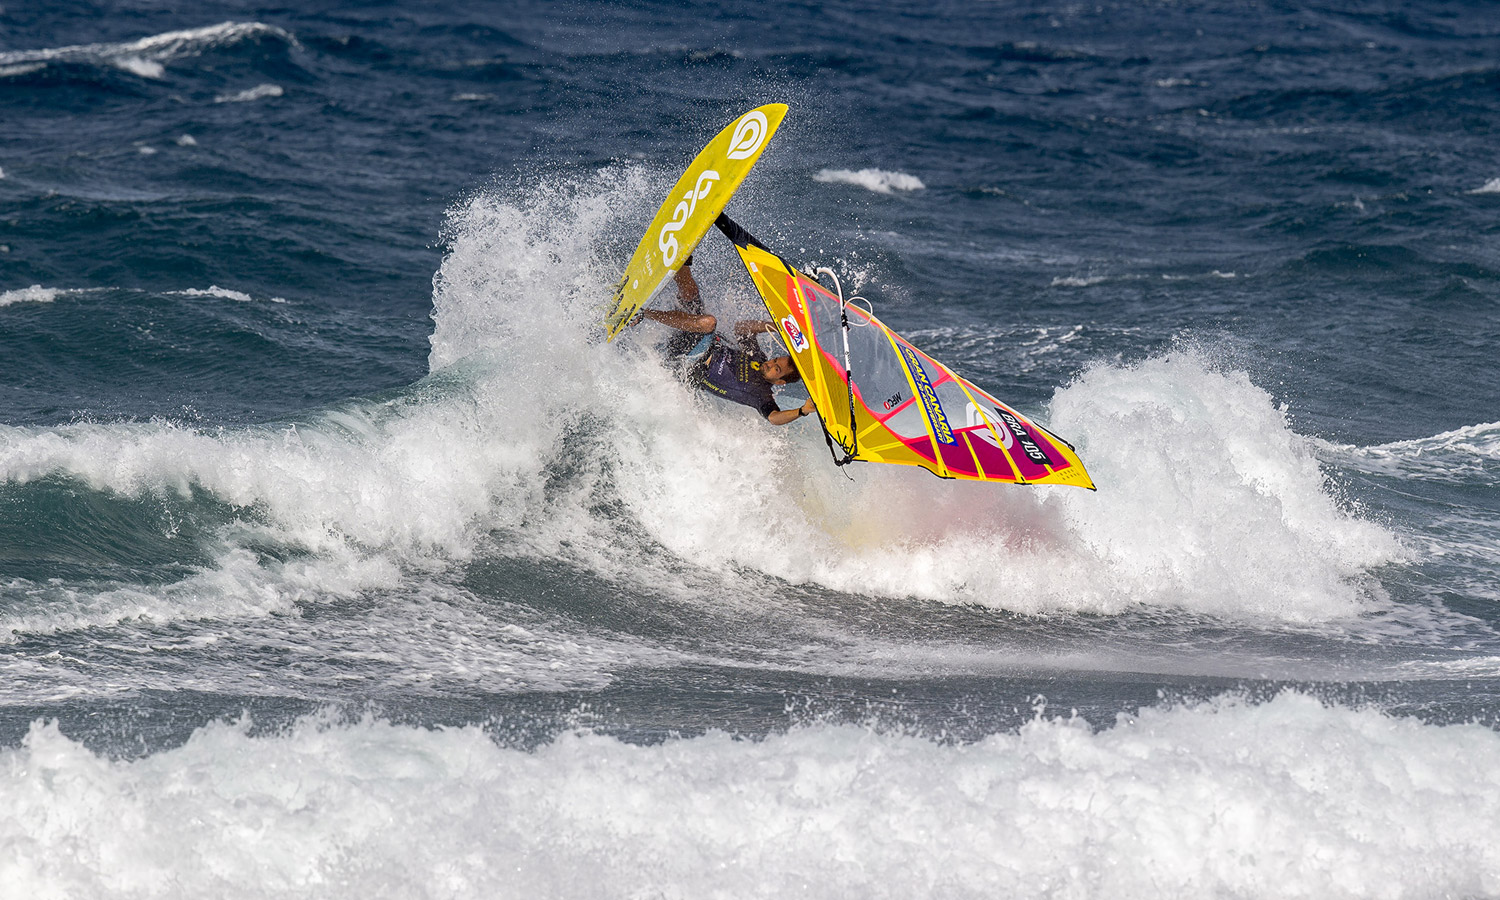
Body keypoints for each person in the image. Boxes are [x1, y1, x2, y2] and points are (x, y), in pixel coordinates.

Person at [634, 256, 818, 426]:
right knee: (690, 293)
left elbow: (774, 418)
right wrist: (777, 326)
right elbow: (742, 328)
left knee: (709, 322)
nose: (769, 364)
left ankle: (642, 313)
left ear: (779, 382)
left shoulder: (761, 394)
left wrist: (802, 411)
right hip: (695, 336)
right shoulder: (757, 358)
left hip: (686, 363)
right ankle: (677, 259)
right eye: (775, 360)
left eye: (776, 369)